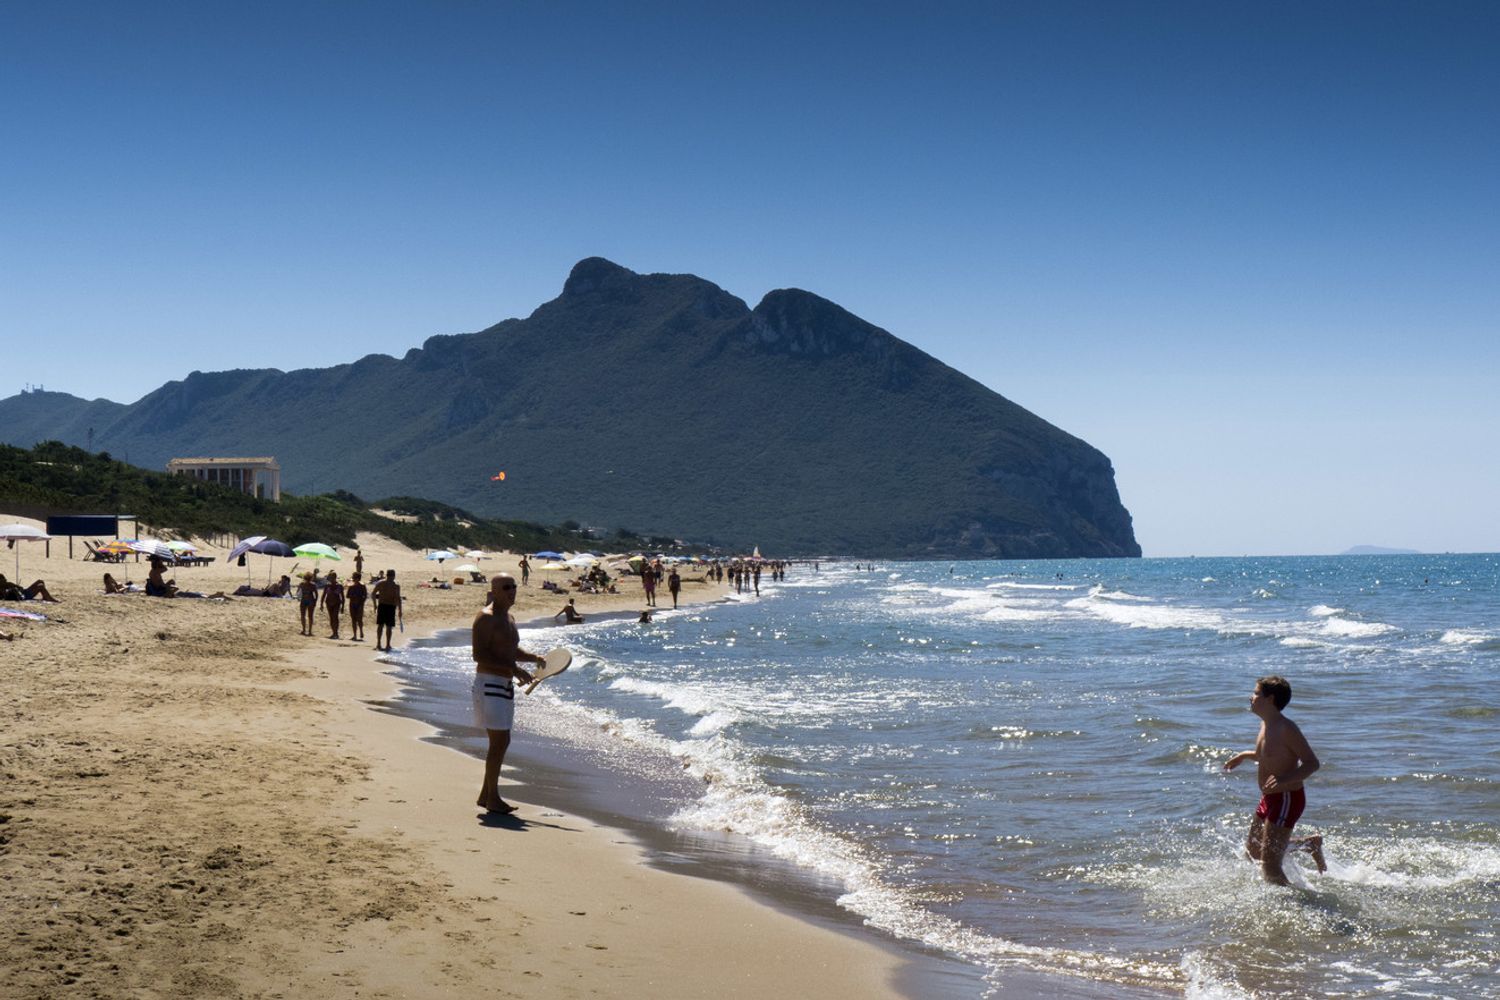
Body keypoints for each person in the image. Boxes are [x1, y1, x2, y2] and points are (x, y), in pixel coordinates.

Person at [1224, 675, 1326, 884]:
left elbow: (1311, 763)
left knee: (1270, 867)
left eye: (1256, 693)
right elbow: (1268, 755)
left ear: (1270, 699)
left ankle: (1299, 907)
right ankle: (1308, 844)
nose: (1251, 697)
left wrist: (1284, 779)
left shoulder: (1287, 728)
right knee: (1253, 852)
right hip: (1269, 797)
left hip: (1286, 798)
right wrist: (1244, 755)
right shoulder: (1266, 724)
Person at [471, 574, 540, 814]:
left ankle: (485, 795)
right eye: (506, 587)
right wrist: (513, 668)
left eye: (514, 586)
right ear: (495, 591)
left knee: (502, 740)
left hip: (503, 685)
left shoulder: (509, 617)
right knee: (499, 741)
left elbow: (509, 648)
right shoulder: (485, 618)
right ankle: (493, 798)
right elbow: (479, 655)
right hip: (489, 684)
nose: (512, 591)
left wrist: (532, 658)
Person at [372, 569, 402, 651]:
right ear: (393, 576)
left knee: (383, 626)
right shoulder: (395, 585)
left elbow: (373, 594)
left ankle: (382, 644)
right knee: (385, 626)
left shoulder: (382, 583)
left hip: (385, 606)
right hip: (388, 607)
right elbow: (398, 598)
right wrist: (400, 610)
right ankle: (384, 644)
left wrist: (375, 604)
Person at [320, 570, 345, 639]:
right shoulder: (327, 586)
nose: (330, 579)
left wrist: (343, 606)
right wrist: (321, 604)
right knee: (331, 618)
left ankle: (336, 633)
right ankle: (333, 632)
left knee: (335, 618)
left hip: (337, 603)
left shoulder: (339, 586)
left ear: (334, 577)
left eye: (331, 577)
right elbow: (323, 595)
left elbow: (342, 597)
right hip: (328, 603)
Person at [346, 572, 368, 641]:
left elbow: (365, 595)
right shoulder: (351, 586)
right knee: (353, 620)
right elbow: (347, 596)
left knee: (359, 619)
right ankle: (355, 635)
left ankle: (361, 631)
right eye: (353, 578)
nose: (353, 579)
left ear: (358, 578)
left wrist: (362, 603)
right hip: (353, 604)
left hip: (359, 604)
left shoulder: (362, 586)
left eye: (354, 578)